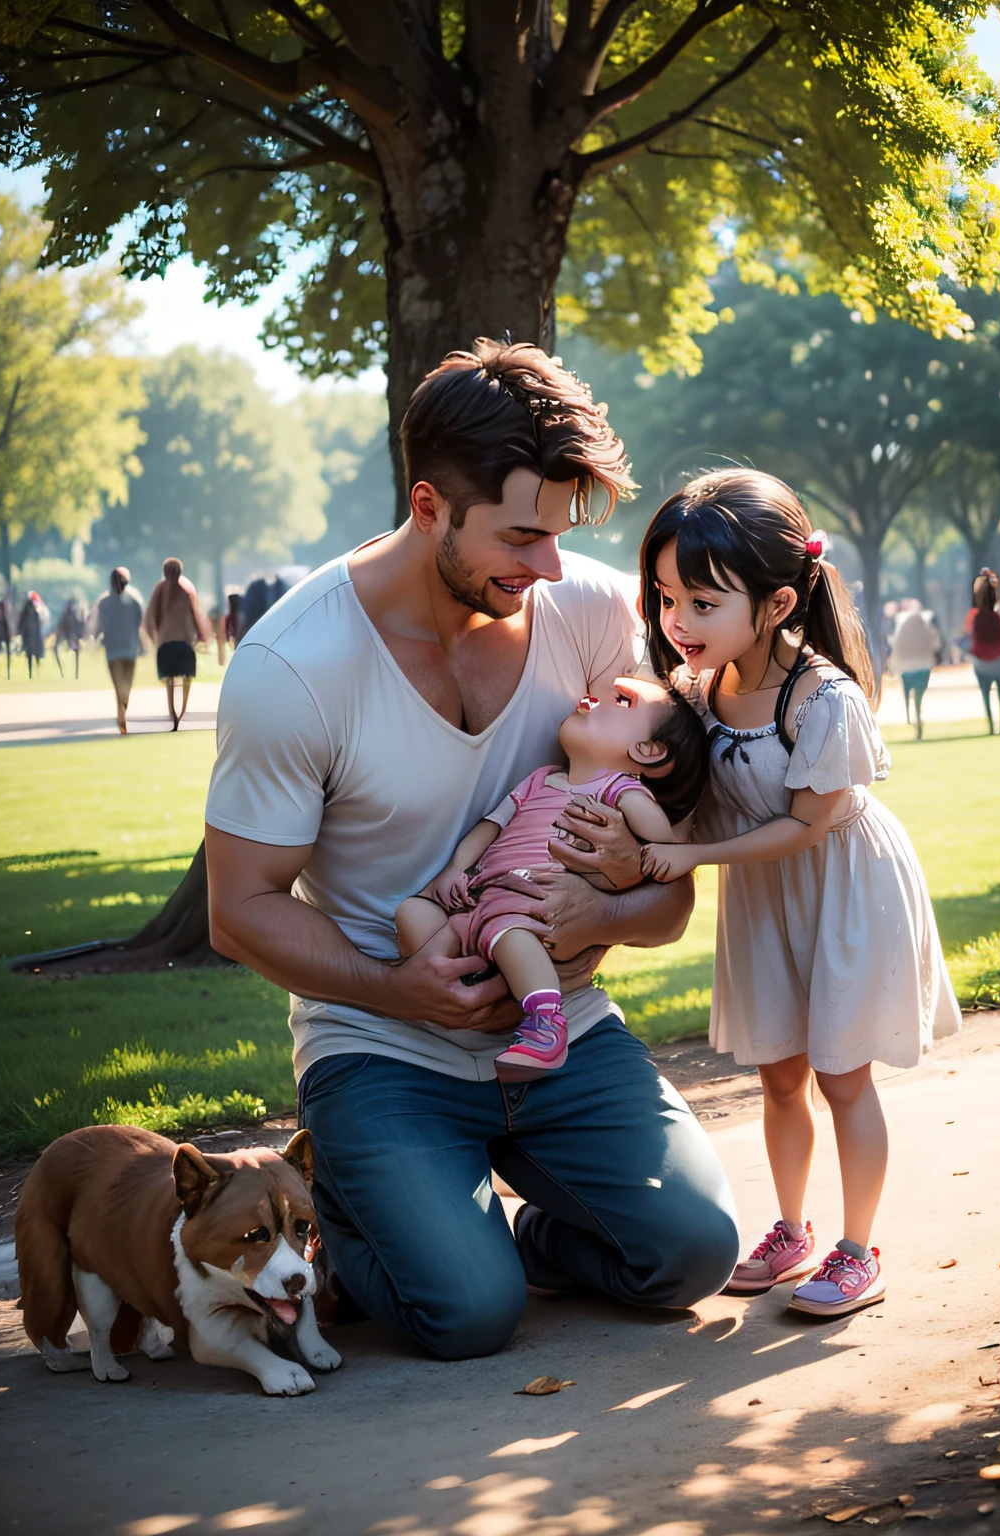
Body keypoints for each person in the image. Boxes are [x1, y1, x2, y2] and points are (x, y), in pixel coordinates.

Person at [204, 339, 739, 1362]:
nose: (548, 569)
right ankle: (356, 1231)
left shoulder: (584, 614)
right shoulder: (293, 666)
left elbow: (666, 903)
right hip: (383, 1047)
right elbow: (241, 909)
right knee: (466, 1316)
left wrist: (615, 904)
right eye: (522, 537)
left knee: (691, 1255)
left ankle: (529, 1236)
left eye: (560, 536)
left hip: (564, 1026)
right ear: (428, 504)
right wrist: (397, 988)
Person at [634, 468, 961, 1318]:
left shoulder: (823, 699)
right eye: (668, 598)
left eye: (703, 604)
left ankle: (859, 1249)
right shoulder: (698, 694)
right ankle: (791, 1228)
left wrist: (692, 856)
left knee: (840, 1075)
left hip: (844, 888)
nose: (677, 623)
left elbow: (809, 826)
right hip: (764, 895)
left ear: (777, 604)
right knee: (779, 1074)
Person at [397, 674, 708, 1080]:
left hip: (534, 898)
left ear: (647, 751)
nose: (596, 698)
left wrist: (667, 842)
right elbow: (490, 827)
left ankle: (545, 1025)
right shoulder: (540, 779)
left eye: (621, 701)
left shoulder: (618, 789)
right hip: (483, 893)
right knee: (413, 912)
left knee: (510, 932)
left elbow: (658, 842)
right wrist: (456, 869)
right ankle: (474, 985)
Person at [144, 557, 211, 730]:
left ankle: (173, 713)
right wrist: (202, 636)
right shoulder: (187, 589)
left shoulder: (159, 589)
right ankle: (181, 712)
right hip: (185, 642)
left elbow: (151, 616)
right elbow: (196, 615)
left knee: (170, 680)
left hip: (166, 641)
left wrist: (154, 638)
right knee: (187, 677)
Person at [90, 567, 144, 734]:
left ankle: (121, 713)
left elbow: (98, 626)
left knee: (121, 687)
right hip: (127, 650)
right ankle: (122, 716)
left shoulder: (104, 602)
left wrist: (95, 638)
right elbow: (139, 623)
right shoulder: (134, 599)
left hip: (116, 651)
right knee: (124, 686)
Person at [961, 569, 1000, 735]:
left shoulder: (975, 616)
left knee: (986, 693)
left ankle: (991, 723)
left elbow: (969, 638)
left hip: (982, 665)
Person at [888, 598, 941, 740]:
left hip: (905, 667)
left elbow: (894, 644)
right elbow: (935, 644)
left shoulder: (901, 624)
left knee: (906, 692)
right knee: (919, 696)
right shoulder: (926, 624)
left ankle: (910, 718)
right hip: (923, 666)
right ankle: (917, 717)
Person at [17, 590, 48, 678]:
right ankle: (34, 670)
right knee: (32, 651)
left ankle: (34, 670)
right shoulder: (35, 605)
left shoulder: (36, 606)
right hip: (33, 633)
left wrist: (19, 630)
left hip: (32, 633)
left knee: (30, 651)